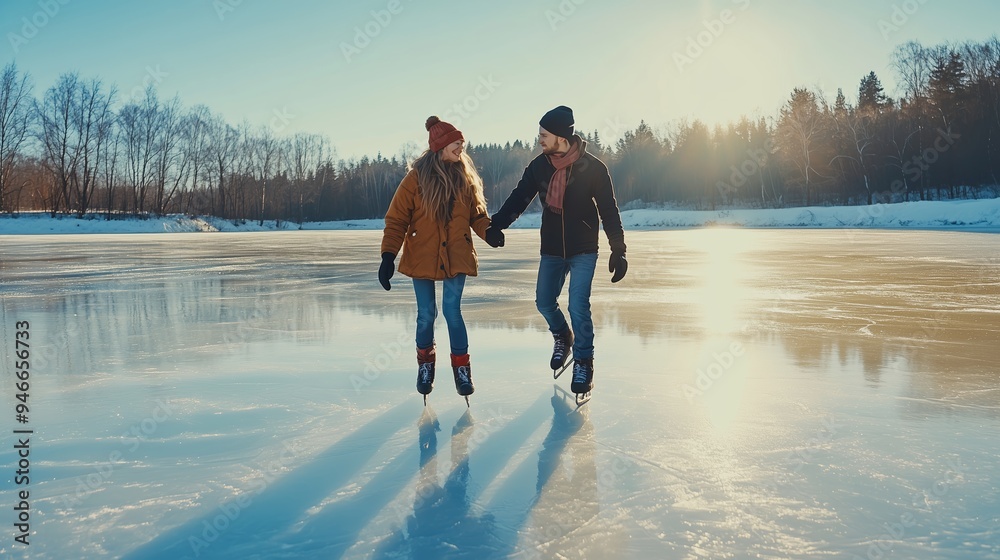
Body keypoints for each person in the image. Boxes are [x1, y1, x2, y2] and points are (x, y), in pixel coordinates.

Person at [485, 106, 627, 397]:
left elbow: (609, 210)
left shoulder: (594, 168)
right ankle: (563, 334)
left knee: (578, 306)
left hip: (584, 248)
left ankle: (584, 361)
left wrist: (618, 249)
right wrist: (497, 225)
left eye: (543, 135)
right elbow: (519, 198)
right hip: (551, 248)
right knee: (544, 302)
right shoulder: (539, 167)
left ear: (561, 136)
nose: (539, 140)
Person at [379, 116, 492, 403]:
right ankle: (425, 365)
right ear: (441, 145)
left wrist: (489, 232)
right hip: (422, 255)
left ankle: (461, 370)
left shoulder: (464, 177)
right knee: (426, 314)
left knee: (452, 311)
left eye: (462, 143)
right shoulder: (415, 179)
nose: (461, 147)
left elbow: (477, 216)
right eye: (457, 143)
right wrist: (388, 256)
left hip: (456, 254)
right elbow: (396, 220)